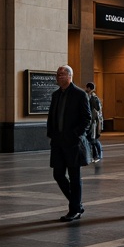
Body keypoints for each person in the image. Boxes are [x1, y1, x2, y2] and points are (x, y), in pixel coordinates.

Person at [46, 65, 92, 221]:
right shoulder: (56, 95)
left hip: (73, 143)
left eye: (61, 74)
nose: (57, 77)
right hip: (58, 142)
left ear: (69, 76)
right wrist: (51, 134)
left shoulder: (79, 94)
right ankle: (77, 204)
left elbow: (87, 118)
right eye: (57, 74)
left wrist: (76, 134)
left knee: (74, 176)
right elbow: (52, 116)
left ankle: (74, 210)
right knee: (58, 174)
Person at [84, 82, 103, 162]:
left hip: (94, 122)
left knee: (93, 139)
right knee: (91, 139)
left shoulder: (93, 97)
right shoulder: (90, 96)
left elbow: (97, 108)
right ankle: (95, 156)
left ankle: (97, 155)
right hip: (92, 122)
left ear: (89, 88)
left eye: (86, 88)